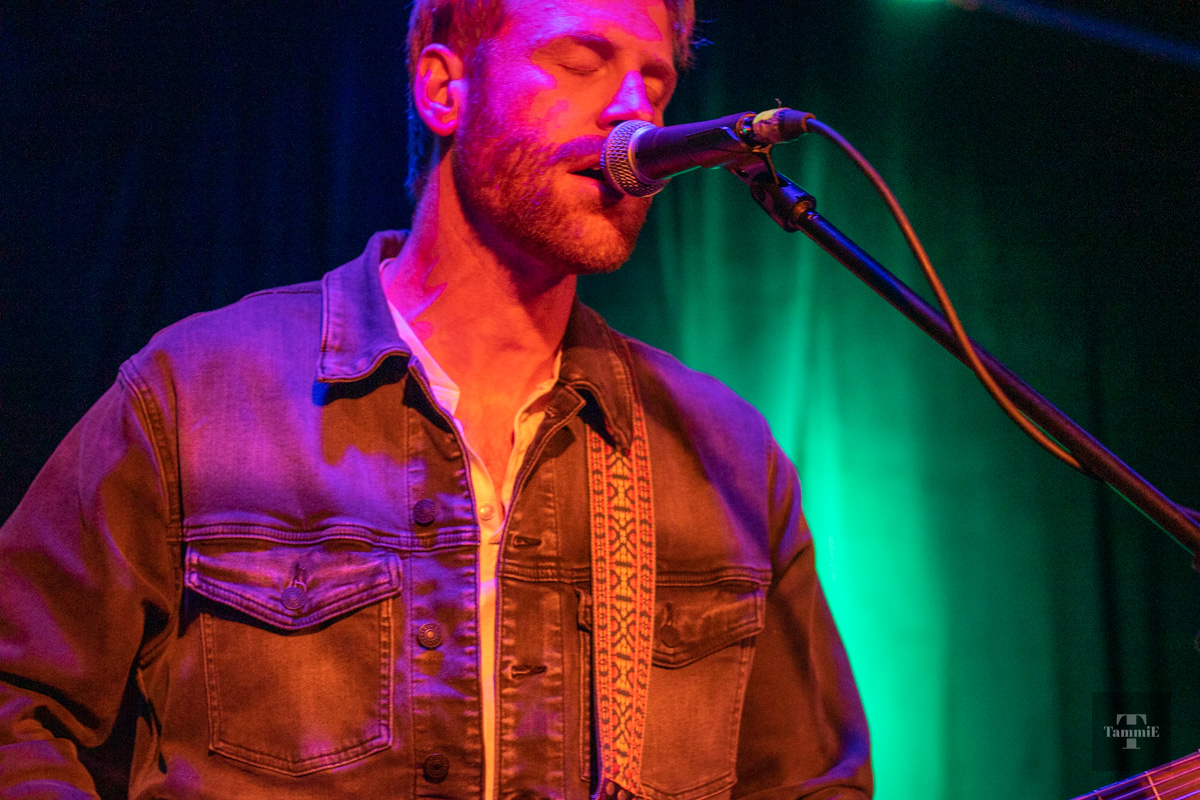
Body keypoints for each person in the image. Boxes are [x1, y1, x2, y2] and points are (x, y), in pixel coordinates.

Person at [0, 0, 872, 797]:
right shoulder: (197, 399)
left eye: (657, 81)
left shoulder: (724, 459)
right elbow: (16, 708)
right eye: (581, 61)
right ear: (444, 88)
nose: (633, 112)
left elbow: (814, 784)